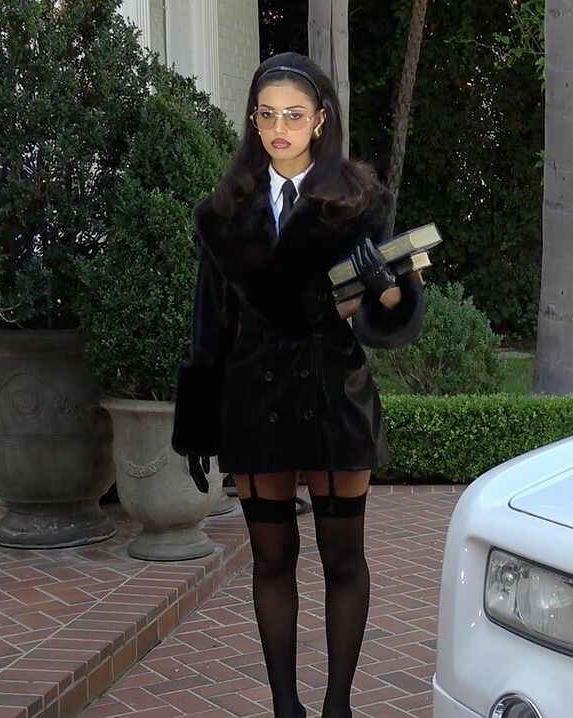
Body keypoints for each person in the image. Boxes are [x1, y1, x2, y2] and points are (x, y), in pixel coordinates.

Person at [170, 51, 425, 718]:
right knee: (271, 559)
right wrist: (196, 424)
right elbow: (209, 325)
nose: (279, 128)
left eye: (293, 114)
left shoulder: (363, 204)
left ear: (320, 120)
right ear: (252, 122)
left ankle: (337, 706)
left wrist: (388, 290)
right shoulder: (223, 213)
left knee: (343, 559)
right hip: (254, 403)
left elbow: (388, 320)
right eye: (266, 115)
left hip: (333, 398)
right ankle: (287, 707)